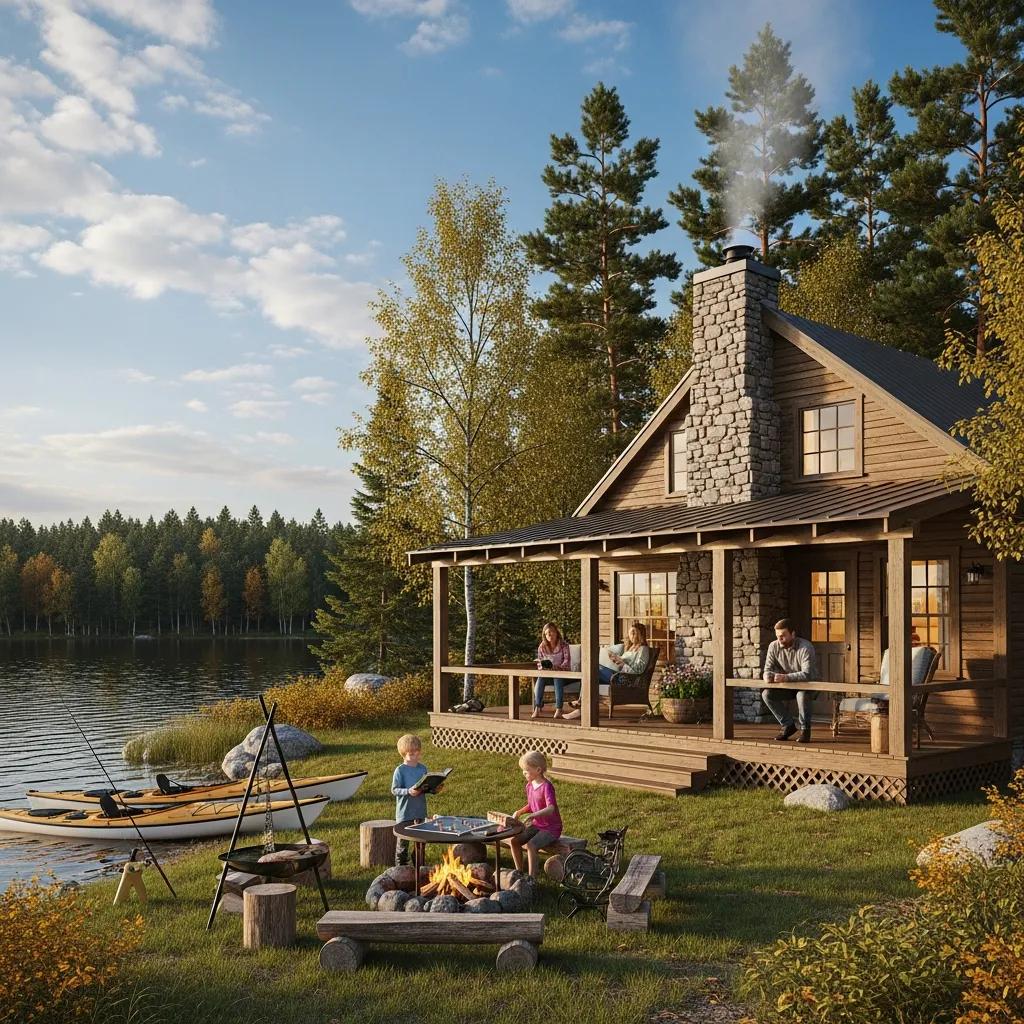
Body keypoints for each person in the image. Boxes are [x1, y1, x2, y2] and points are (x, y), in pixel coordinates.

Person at [563, 621, 651, 720]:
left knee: (593, 669)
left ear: (641, 634)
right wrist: (615, 659)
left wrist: (621, 663)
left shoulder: (643, 650)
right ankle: (581, 708)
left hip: (627, 679)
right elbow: (622, 664)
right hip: (617, 675)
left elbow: (639, 669)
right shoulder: (630, 648)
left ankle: (580, 704)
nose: (632, 635)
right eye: (630, 633)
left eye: (634, 633)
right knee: (591, 675)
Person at [761, 618, 819, 743]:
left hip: (808, 686)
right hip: (789, 686)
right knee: (767, 694)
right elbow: (767, 669)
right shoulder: (773, 646)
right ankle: (788, 725)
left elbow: (807, 674)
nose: (779, 639)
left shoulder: (806, 647)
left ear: (793, 634)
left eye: (783, 636)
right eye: (777, 636)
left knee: (801, 695)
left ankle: (805, 730)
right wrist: (766, 676)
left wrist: (786, 677)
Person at [509, 750, 562, 878]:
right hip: (537, 825)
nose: (524, 773)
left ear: (538, 770)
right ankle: (519, 872)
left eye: (526, 770)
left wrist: (534, 815)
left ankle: (532, 878)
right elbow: (532, 805)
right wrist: (520, 811)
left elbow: (551, 808)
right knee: (515, 841)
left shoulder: (546, 787)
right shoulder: (530, 786)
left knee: (531, 844)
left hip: (551, 828)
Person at [391, 733, 442, 866]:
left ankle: (419, 867)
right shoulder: (400, 771)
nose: (416, 757)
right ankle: (400, 869)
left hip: (420, 811)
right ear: (403, 754)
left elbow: (425, 786)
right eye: (412, 754)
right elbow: (394, 790)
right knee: (403, 844)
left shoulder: (422, 768)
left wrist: (434, 789)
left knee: (420, 841)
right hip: (405, 813)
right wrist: (408, 791)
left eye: (418, 753)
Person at [533, 621, 571, 719]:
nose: (549, 635)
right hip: (548, 674)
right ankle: (537, 708)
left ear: (556, 632)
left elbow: (567, 662)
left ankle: (559, 708)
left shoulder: (564, 645)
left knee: (557, 677)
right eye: (546, 633)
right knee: (541, 677)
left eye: (551, 632)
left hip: (564, 674)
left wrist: (557, 668)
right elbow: (539, 663)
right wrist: (543, 666)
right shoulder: (542, 647)